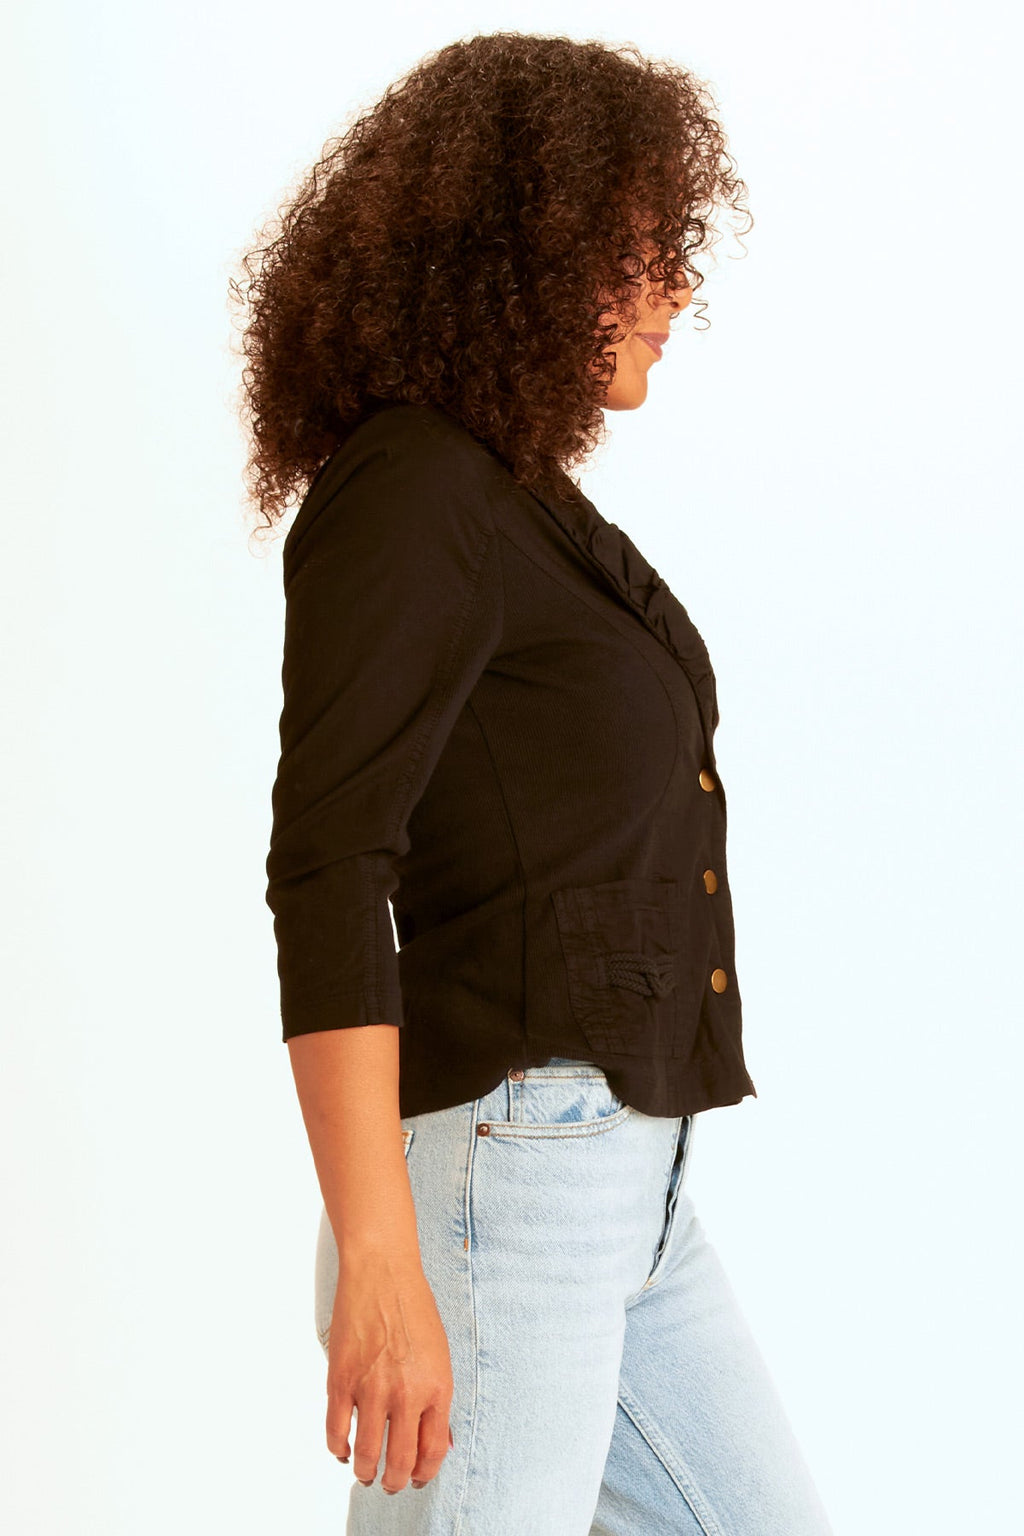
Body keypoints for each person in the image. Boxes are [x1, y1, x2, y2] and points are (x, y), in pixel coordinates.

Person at [233, 30, 835, 1536]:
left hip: (630, 1188)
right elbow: (330, 864)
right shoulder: (411, 488)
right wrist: (383, 1257)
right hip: (509, 1184)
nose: (676, 290)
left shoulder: (516, 498)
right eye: (640, 248)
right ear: (531, 250)